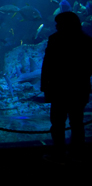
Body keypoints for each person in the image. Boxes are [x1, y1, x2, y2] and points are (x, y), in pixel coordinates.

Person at [41, 11, 92, 164]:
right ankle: (77, 153)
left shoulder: (55, 40)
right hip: (79, 88)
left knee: (58, 123)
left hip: (59, 88)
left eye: (59, 23)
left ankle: (59, 153)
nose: (56, 26)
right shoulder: (86, 40)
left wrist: (45, 86)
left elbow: (47, 65)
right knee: (77, 122)